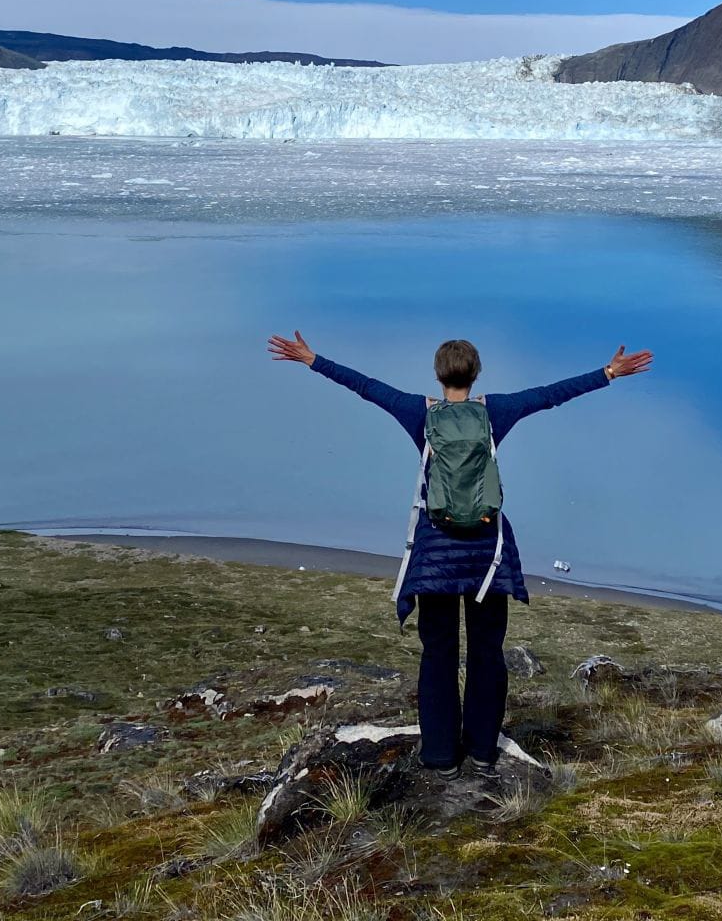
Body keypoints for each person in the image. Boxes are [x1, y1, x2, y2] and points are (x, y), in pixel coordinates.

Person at [267, 329, 653, 780]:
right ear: (476, 374)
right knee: (487, 652)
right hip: (488, 555)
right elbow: (551, 395)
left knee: (439, 654)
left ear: (438, 375)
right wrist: (608, 372)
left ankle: (440, 757)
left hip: (436, 556)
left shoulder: (420, 413)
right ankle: (484, 752)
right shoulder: (496, 413)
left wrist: (313, 359)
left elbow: (367, 388)